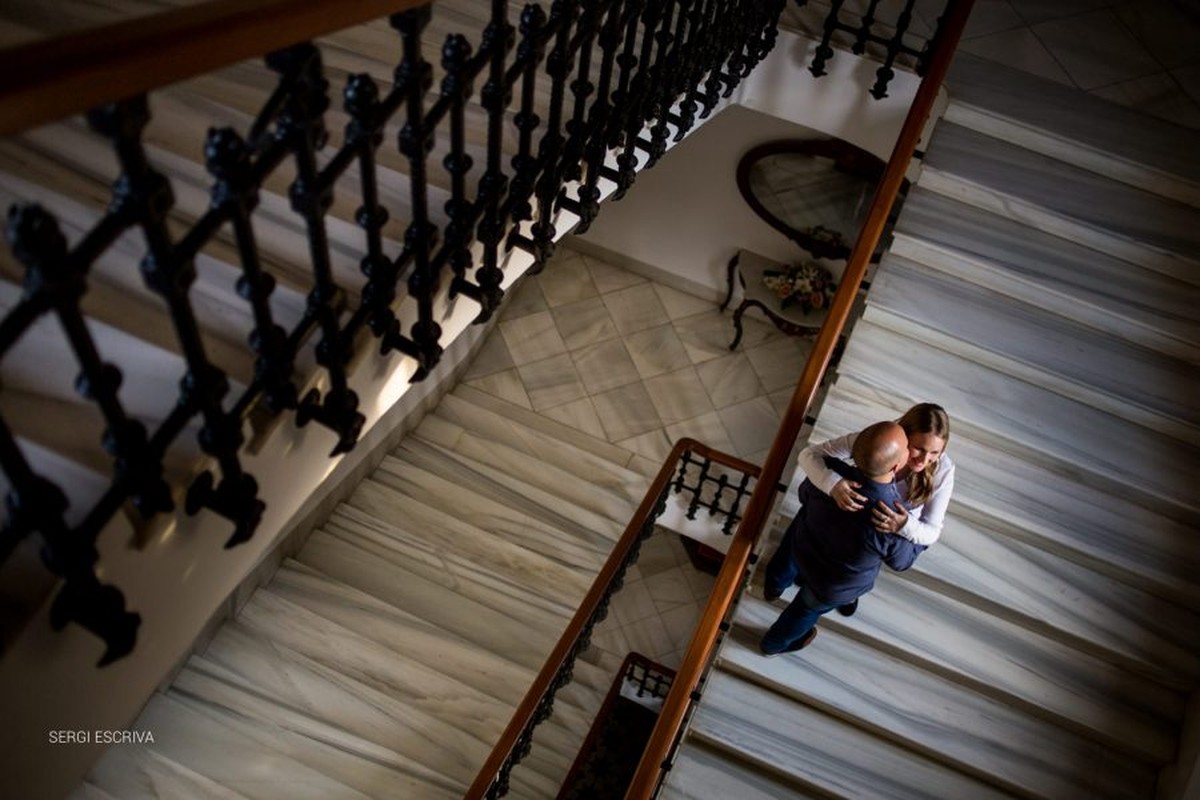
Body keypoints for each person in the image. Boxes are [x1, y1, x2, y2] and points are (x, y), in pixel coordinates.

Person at [759, 421, 925, 656]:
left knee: (790, 560)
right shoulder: (892, 518)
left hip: (803, 550)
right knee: (803, 611)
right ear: (897, 466)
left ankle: (773, 588)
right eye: (909, 446)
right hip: (832, 586)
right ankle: (772, 644)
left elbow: (804, 494)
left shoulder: (829, 473)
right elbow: (901, 562)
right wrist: (922, 533)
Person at [797, 403, 953, 616]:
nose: (924, 461)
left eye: (935, 452)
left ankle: (845, 593)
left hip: (877, 532)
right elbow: (808, 455)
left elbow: (932, 531)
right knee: (804, 546)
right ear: (904, 437)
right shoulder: (884, 439)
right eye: (919, 448)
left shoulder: (943, 470)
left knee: (850, 569)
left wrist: (904, 525)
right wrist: (831, 483)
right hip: (837, 511)